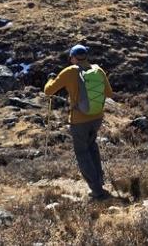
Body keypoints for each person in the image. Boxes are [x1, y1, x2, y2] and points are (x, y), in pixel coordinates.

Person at [44, 44, 114, 201]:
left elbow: (49, 91)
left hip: (79, 120)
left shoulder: (70, 71)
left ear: (73, 58)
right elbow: (109, 93)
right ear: (86, 56)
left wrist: (50, 78)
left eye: (70, 57)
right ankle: (99, 183)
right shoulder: (98, 70)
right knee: (92, 147)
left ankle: (97, 192)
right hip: (96, 117)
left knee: (82, 153)